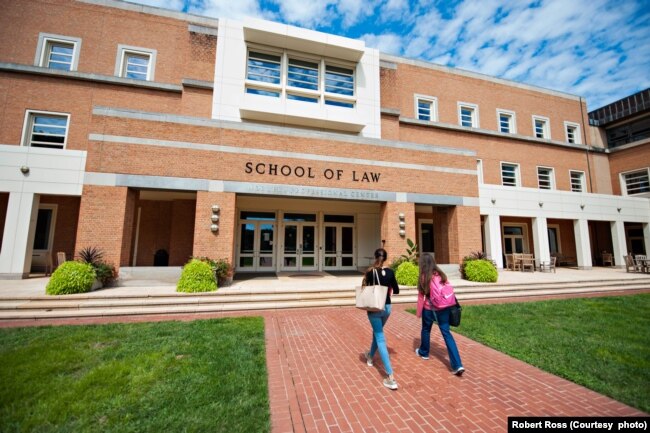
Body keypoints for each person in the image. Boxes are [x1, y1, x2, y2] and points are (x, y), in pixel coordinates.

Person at [415, 253, 465, 376]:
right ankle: (457, 364)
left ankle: (424, 352)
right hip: (444, 307)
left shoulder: (423, 277)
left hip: (429, 308)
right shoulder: (441, 274)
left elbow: (422, 296)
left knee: (426, 330)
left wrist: (418, 312)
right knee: (446, 333)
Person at [363, 248, 400, 390]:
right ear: (386, 258)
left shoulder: (370, 272)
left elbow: (366, 288)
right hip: (387, 308)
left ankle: (390, 376)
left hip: (374, 308)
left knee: (379, 337)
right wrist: (388, 287)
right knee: (377, 333)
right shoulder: (390, 272)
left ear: (375, 257)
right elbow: (396, 290)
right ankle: (370, 357)